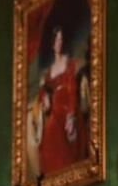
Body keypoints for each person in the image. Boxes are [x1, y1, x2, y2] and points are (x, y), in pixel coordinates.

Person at [31, 26, 88, 175]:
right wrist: (45, 98)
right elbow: (44, 90)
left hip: (68, 106)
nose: (59, 43)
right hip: (55, 108)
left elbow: (72, 88)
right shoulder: (49, 71)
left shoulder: (69, 63)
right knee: (49, 131)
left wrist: (70, 115)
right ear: (52, 43)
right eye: (56, 40)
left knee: (58, 125)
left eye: (61, 39)